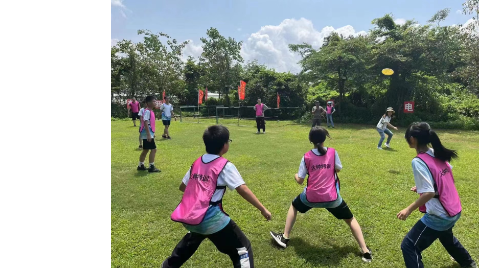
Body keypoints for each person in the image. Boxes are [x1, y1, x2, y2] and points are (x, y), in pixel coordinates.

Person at [162, 125, 272, 268]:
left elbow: (183, 187)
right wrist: (263, 209)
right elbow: (242, 189)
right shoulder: (224, 165)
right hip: (210, 217)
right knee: (242, 248)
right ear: (224, 145)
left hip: (192, 216)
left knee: (192, 239)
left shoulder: (197, 162)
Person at [270, 126, 373, 262]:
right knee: (350, 219)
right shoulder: (332, 152)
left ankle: (285, 237)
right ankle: (365, 251)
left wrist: (295, 175)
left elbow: (300, 180)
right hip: (332, 198)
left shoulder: (306, 156)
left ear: (310, 140)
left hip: (310, 198)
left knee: (294, 205)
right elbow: (338, 169)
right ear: (325, 138)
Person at [396, 122, 477, 268]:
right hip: (454, 209)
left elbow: (429, 192)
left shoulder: (418, 161)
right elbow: (442, 177)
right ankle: (468, 263)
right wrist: (421, 187)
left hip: (440, 215)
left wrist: (408, 209)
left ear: (413, 139)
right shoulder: (434, 152)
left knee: (409, 246)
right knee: (446, 237)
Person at [137, 96, 161, 173]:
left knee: (146, 149)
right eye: (154, 101)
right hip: (146, 133)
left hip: (148, 133)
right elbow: (145, 122)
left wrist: (152, 133)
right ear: (148, 103)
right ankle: (151, 166)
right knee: (154, 149)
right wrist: (148, 134)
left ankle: (141, 165)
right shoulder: (147, 111)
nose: (155, 102)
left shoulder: (150, 111)